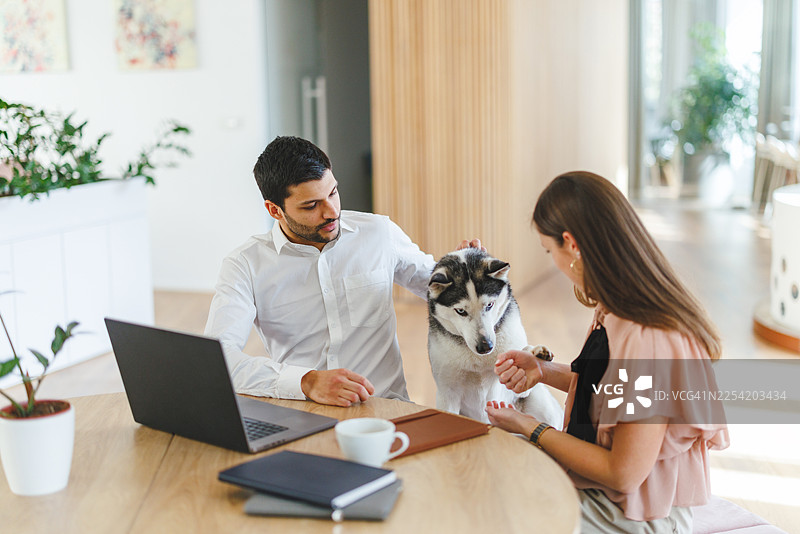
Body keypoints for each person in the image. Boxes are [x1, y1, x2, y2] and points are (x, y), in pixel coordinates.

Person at [485, 171, 729, 533]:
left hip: (640, 515)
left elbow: (623, 473)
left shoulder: (649, 340)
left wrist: (530, 427)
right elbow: (612, 390)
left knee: (498, 510)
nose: (552, 260)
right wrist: (543, 370)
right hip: (613, 497)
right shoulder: (618, 306)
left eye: (549, 250)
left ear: (571, 244)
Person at [205, 136, 478, 407]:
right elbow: (217, 359)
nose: (332, 212)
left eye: (333, 193)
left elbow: (438, 288)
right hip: (303, 408)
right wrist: (306, 382)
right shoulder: (245, 265)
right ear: (274, 210)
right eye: (311, 205)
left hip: (384, 407)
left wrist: (466, 274)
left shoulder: (379, 233)